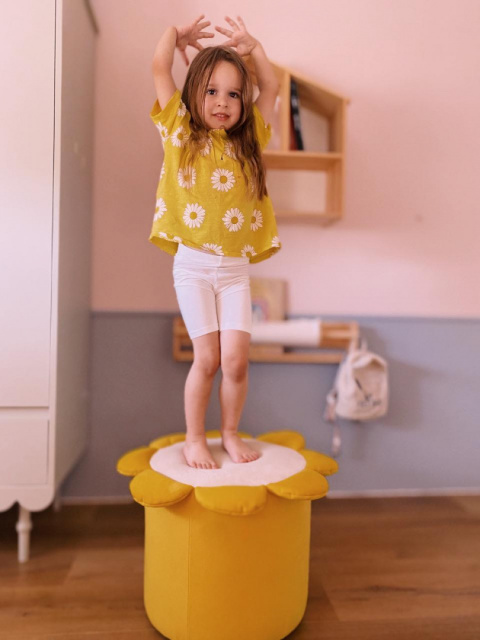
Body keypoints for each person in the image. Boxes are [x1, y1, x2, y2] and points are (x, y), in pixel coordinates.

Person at [150, 14, 281, 469]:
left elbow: (272, 85)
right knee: (206, 359)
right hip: (193, 267)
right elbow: (159, 67)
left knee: (237, 362)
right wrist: (176, 36)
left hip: (235, 273)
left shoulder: (250, 142)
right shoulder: (180, 133)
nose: (223, 102)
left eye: (233, 94)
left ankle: (228, 432)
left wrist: (255, 46)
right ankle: (193, 438)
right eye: (211, 91)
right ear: (193, 96)